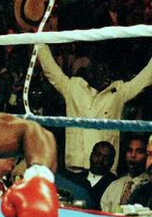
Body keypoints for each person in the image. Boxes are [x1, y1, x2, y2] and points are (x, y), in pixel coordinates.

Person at [37, 44, 152, 173]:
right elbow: (51, 71)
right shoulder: (73, 87)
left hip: (105, 169)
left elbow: (146, 78)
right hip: (76, 166)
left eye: (110, 70)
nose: (107, 74)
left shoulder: (119, 91)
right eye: (102, 69)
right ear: (92, 69)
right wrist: (40, 42)